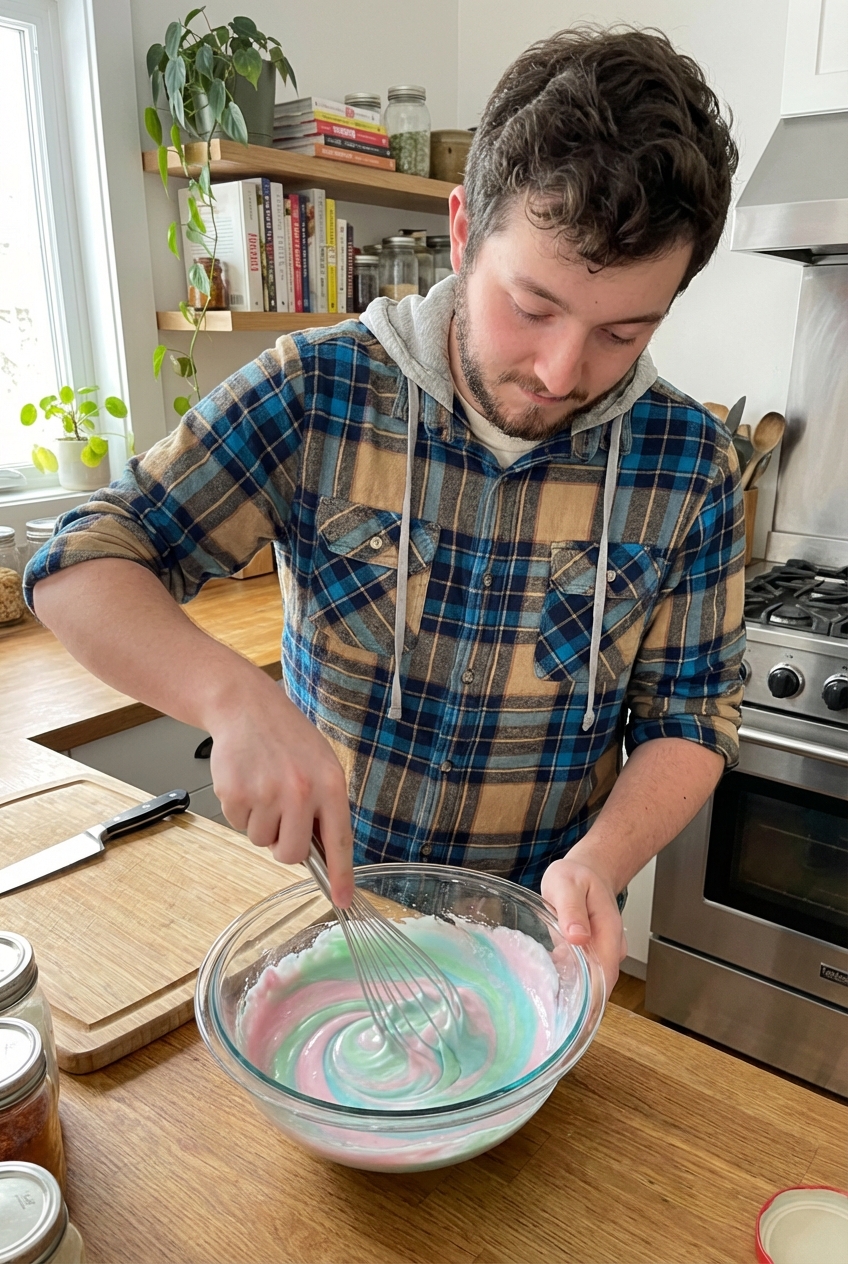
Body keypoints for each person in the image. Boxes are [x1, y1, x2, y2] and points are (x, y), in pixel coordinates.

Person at [25, 26, 745, 996]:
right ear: (460, 232)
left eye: (621, 331)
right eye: (530, 307)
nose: (559, 372)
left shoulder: (690, 465)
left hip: (533, 954)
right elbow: (80, 563)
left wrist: (600, 864)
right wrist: (233, 698)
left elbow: (689, 719)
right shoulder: (315, 392)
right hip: (328, 926)